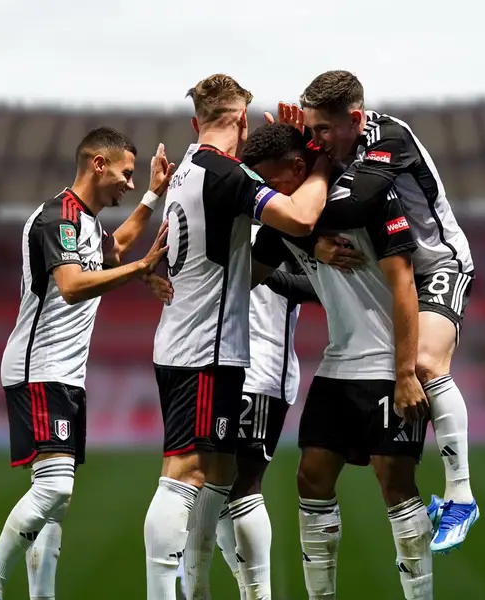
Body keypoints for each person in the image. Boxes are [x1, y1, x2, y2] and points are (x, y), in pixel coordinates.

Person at [144, 74, 333, 600]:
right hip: (205, 346)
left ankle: (199, 587)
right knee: (187, 473)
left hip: (200, 342)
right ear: (243, 121)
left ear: (194, 123)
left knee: (221, 473)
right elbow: (298, 218)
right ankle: (180, 591)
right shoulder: (223, 175)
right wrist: (317, 162)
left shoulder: (185, 171)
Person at [0, 127, 174, 600]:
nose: (128, 183)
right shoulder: (56, 218)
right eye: (127, 174)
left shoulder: (84, 222)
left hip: (65, 372)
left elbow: (115, 249)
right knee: (56, 488)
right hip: (38, 367)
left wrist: (151, 195)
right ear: (98, 164)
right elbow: (72, 284)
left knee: (53, 501)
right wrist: (139, 271)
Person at [289, 69, 481, 553]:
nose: (317, 140)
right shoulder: (337, 147)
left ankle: (461, 495)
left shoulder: (388, 137)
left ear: (355, 118)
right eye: (311, 129)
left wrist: (295, 218)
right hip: (395, 271)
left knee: (425, 364)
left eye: (324, 130)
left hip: (438, 264)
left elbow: (361, 202)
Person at [246, 122, 435, 599]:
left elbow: (404, 284)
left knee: (394, 480)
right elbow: (248, 275)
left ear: (297, 167)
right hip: (338, 363)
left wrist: (406, 371)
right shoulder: (284, 218)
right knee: (310, 475)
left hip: (385, 363)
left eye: (274, 181)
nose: (268, 193)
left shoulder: (367, 200)